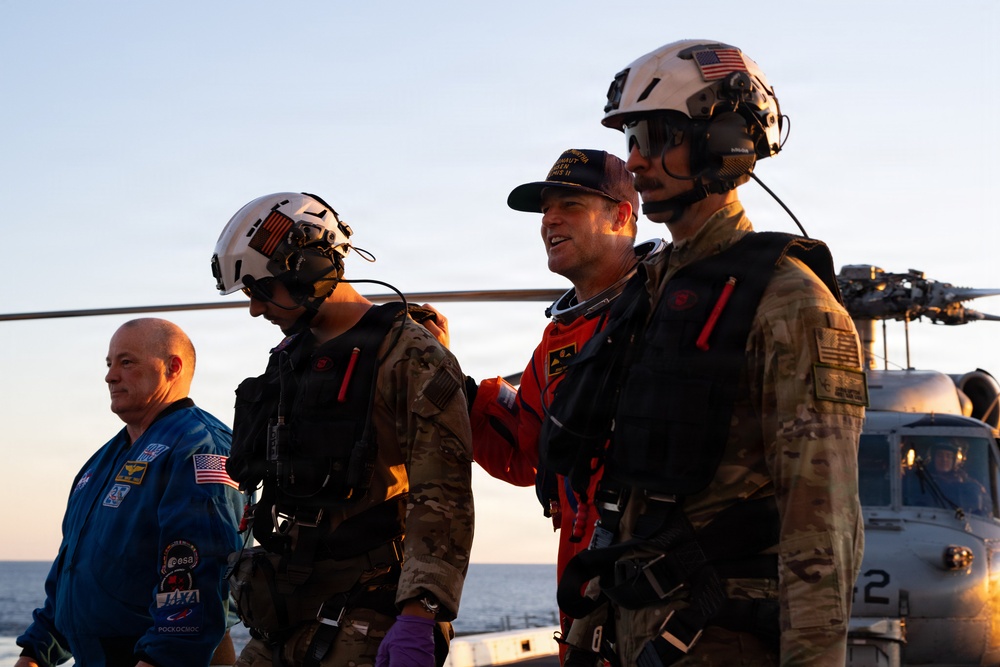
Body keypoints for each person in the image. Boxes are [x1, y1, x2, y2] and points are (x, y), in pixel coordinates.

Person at [544, 40, 867, 665]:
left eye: (657, 135)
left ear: (722, 140)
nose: (635, 160)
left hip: (721, 631)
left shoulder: (790, 304)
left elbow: (820, 524)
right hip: (631, 628)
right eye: (631, 138)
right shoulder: (648, 291)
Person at [210, 192, 474, 667]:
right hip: (284, 607)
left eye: (262, 290)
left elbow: (444, 495)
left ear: (307, 268)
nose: (254, 309)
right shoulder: (291, 357)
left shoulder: (410, 355)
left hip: (364, 611)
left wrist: (420, 614)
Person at [423, 148, 654, 646]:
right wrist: (448, 375)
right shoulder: (556, 344)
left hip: (662, 592)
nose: (549, 220)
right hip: (586, 597)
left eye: (570, 205)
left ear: (621, 215)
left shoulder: (672, 311)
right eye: (545, 210)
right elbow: (525, 455)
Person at [16, 318, 243, 667]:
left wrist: (161, 658)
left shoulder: (199, 446)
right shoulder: (100, 464)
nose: (110, 376)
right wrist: (36, 651)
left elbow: (200, 575)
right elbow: (71, 571)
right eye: (109, 364)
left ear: (172, 367)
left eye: (126, 362)